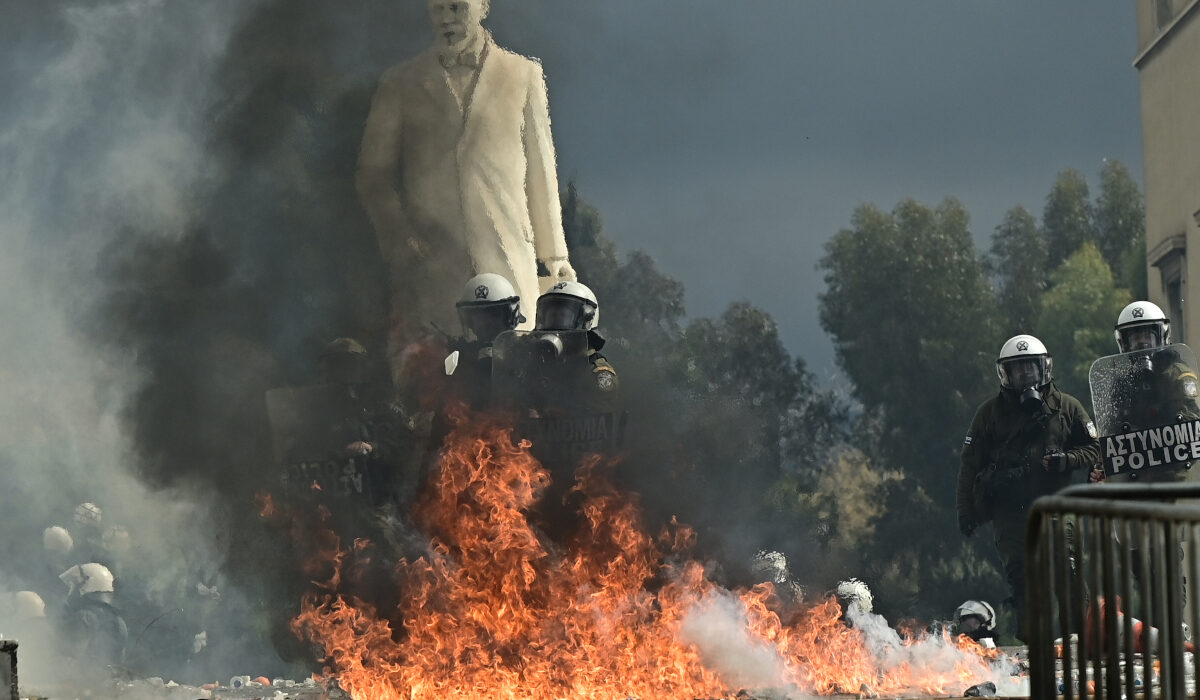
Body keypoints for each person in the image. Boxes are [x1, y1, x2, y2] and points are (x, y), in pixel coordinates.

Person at [357, 0, 575, 341]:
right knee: (444, 378)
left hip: (508, 258)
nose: (446, 19)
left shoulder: (523, 75)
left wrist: (554, 255)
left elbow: (542, 171)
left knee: (515, 373)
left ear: (483, 6)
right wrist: (403, 241)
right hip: (435, 271)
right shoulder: (399, 83)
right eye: (438, 9)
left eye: (457, 8)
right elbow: (373, 175)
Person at [957, 334, 1100, 640]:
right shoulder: (989, 414)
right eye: (1017, 369)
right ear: (1005, 374)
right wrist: (965, 511)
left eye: (1030, 368)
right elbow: (969, 466)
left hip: (1058, 509)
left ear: (1044, 368)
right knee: (1024, 583)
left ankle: (1080, 640)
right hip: (1011, 516)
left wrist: (1067, 459)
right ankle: (1036, 648)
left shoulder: (1067, 407)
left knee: (1071, 577)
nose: (1025, 375)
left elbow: (1096, 448)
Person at [1108, 301, 1200, 480]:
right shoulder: (1123, 384)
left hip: (1175, 476)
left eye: (1147, 337)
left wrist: (1164, 417)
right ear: (1124, 344)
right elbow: (1110, 432)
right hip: (1136, 478)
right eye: (1135, 339)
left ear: (1161, 338)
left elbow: (1194, 425)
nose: (1142, 344)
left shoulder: (1177, 374)